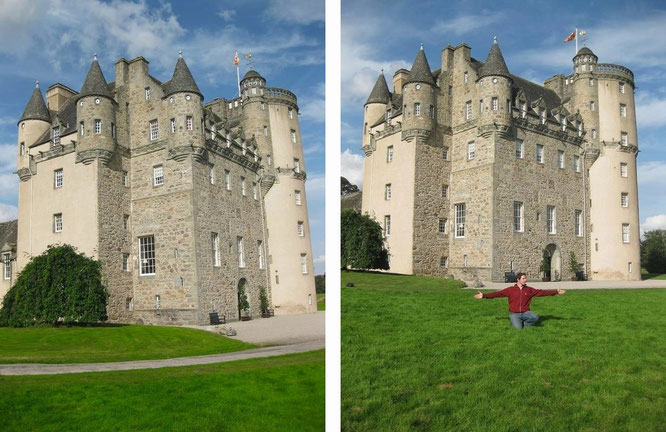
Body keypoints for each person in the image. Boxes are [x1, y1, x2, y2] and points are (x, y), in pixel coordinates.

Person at [474, 272, 565, 329]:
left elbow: (541, 292)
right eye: (523, 278)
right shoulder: (510, 290)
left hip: (525, 312)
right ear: (518, 279)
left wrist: (555, 292)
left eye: (525, 278)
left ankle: (525, 324)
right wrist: (484, 295)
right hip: (514, 314)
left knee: (535, 317)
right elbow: (497, 294)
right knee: (518, 329)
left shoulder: (529, 290)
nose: (525, 280)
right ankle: (519, 323)